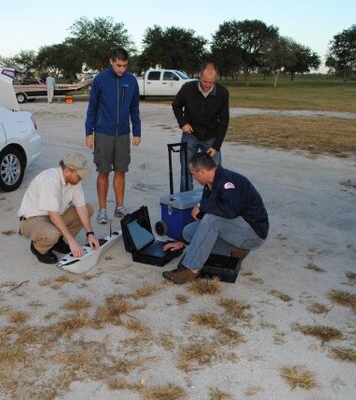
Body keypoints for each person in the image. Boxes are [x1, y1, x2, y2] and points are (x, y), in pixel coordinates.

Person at [162, 153, 269, 284]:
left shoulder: (228, 182)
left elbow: (230, 211)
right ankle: (236, 249)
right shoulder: (210, 184)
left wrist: (202, 205)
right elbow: (207, 216)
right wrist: (182, 242)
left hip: (253, 234)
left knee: (211, 220)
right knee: (189, 232)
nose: (193, 178)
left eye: (193, 174)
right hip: (235, 230)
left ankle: (190, 270)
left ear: (202, 171)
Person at [85, 48, 141, 224]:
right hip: (103, 133)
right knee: (103, 172)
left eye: (125, 66)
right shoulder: (100, 79)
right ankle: (102, 210)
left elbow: (134, 108)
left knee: (121, 171)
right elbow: (92, 107)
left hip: (123, 134)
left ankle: (119, 207)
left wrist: (137, 131)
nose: (121, 69)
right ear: (111, 61)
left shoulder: (131, 80)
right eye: (118, 65)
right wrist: (89, 132)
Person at [18, 153, 100, 264]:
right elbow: (53, 215)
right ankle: (38, 248)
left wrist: (90, 234)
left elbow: (81, 207)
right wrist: (71, 241)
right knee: (52, 233)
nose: (81, 179)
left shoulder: (74, 181)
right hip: (32, 219)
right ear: (67, 171)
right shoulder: (49, 179)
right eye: (79, 175)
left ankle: (57, 241)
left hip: (55, 215)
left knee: (88, 208)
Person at [172, 62, 230, 191]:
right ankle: (186, 202)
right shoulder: (187, 88)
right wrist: (182, 123)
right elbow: (176, 105)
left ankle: (216, 202)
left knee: (216, 172)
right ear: (200, 76)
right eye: (205, 81)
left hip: (211, 137)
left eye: (211, 82)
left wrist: (216, 146)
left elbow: (224, 120)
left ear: (216, 79)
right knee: (186, 171)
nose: (207, 85)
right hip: (190, 135)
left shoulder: (222, 93)